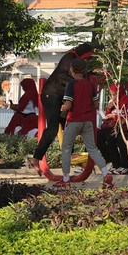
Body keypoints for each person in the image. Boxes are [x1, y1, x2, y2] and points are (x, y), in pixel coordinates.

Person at [28, 43, 93, 175]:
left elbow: (76, 76)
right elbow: (68, 78)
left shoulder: (73, 60)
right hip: (51, 95)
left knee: (68, 125)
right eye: (87, 58)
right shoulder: (69, 59)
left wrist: (90, 74)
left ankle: (69, 156)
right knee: (52, 128)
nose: (87, 61)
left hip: (59, 96)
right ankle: (36, 158)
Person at [55, 58, 113, 189]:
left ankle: (65, 180)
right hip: (87, 120)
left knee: (66, 148)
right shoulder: (90, 85)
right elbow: (96, 104)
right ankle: (105, 173)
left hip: (74, 119)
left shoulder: (71, 85)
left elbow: (68, 104)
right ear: (85, 71)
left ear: (71, 70)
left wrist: (63, 108)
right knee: (92, 148)